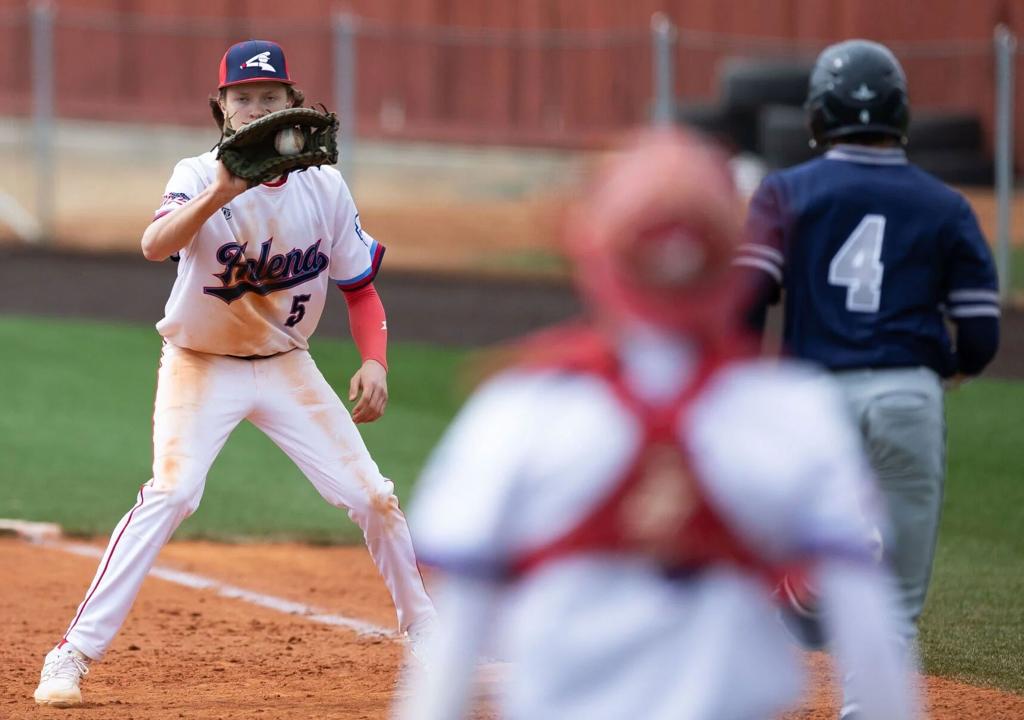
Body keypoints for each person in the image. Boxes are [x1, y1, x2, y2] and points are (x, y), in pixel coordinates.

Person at [393, 129, 919, 720]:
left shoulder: (521, 409)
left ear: (595, 253)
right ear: (735, 258)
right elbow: (872, 638)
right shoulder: (795, 411)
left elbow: (453, 650)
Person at [33, 39, 436, 708]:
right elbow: (153, 244)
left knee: (373, 497)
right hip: (199, 364)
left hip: (286, 366)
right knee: (173, 493)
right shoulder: (195, 174)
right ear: (222, 108)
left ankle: (428, 634)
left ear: (292, 104)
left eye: (270, 97)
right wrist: (221, 188)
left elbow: (360, 289)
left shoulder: (325, 185)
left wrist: (375, 361)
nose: (257, 107)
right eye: (243, 98)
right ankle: (70, 655)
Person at [735, 39, 1000, 719]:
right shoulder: (947, 206)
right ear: (902, 115)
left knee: (782, 551)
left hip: (814, 399)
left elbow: (744, 300)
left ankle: (807, 584)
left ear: (819, 117)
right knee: (895, 606)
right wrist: (953, 366)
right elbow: (981, 335)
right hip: (910, 396)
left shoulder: (786, 191)